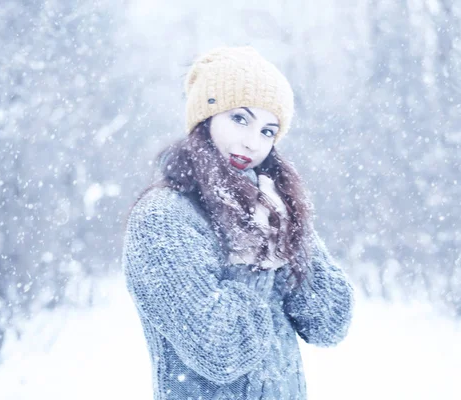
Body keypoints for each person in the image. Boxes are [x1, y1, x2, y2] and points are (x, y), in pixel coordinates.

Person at [122, 45, 355, 400]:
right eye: (240, 119)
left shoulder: (272, 205)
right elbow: (220, 352)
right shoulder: (163, 218)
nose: (252, 142)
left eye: (267, 131)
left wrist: (292, 236)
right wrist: (254, 262)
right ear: (204, 119)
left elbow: (329, 323)